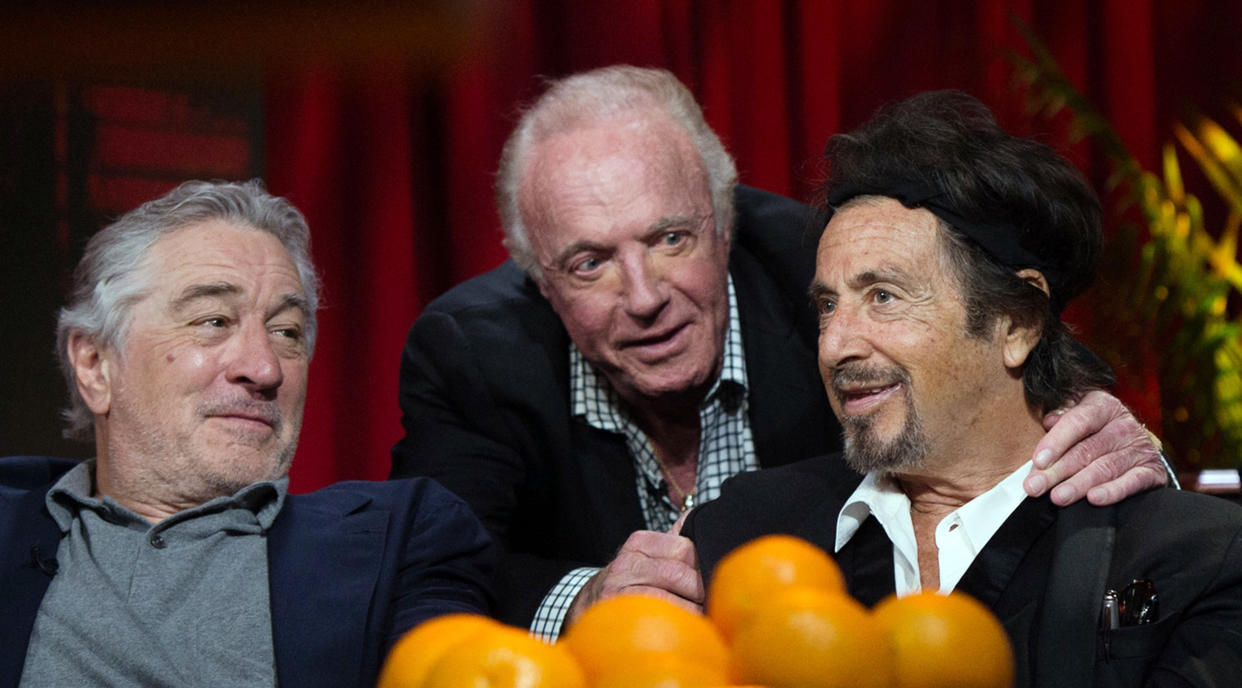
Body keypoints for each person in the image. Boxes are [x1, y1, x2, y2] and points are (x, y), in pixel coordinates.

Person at [389, 65, 1168, 638]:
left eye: (671, 239)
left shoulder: (823, 273)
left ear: (723, 224)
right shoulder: (473, 354)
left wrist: (1082, 425)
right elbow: (430, 578)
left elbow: (1000, 334)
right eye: (590, 263)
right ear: (539, 282)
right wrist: (582, 606)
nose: (645, 294)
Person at [684, 91, 1242, 687]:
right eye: (827, 304)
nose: (834, 345)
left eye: (884, 297)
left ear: (1016, 324)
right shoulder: (741, 537)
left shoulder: (1190, 558)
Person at [0, 181, 494, 688]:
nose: (264, 368)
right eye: (213, 320)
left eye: (286, 332)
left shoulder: (406, 538)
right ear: (96, 365)